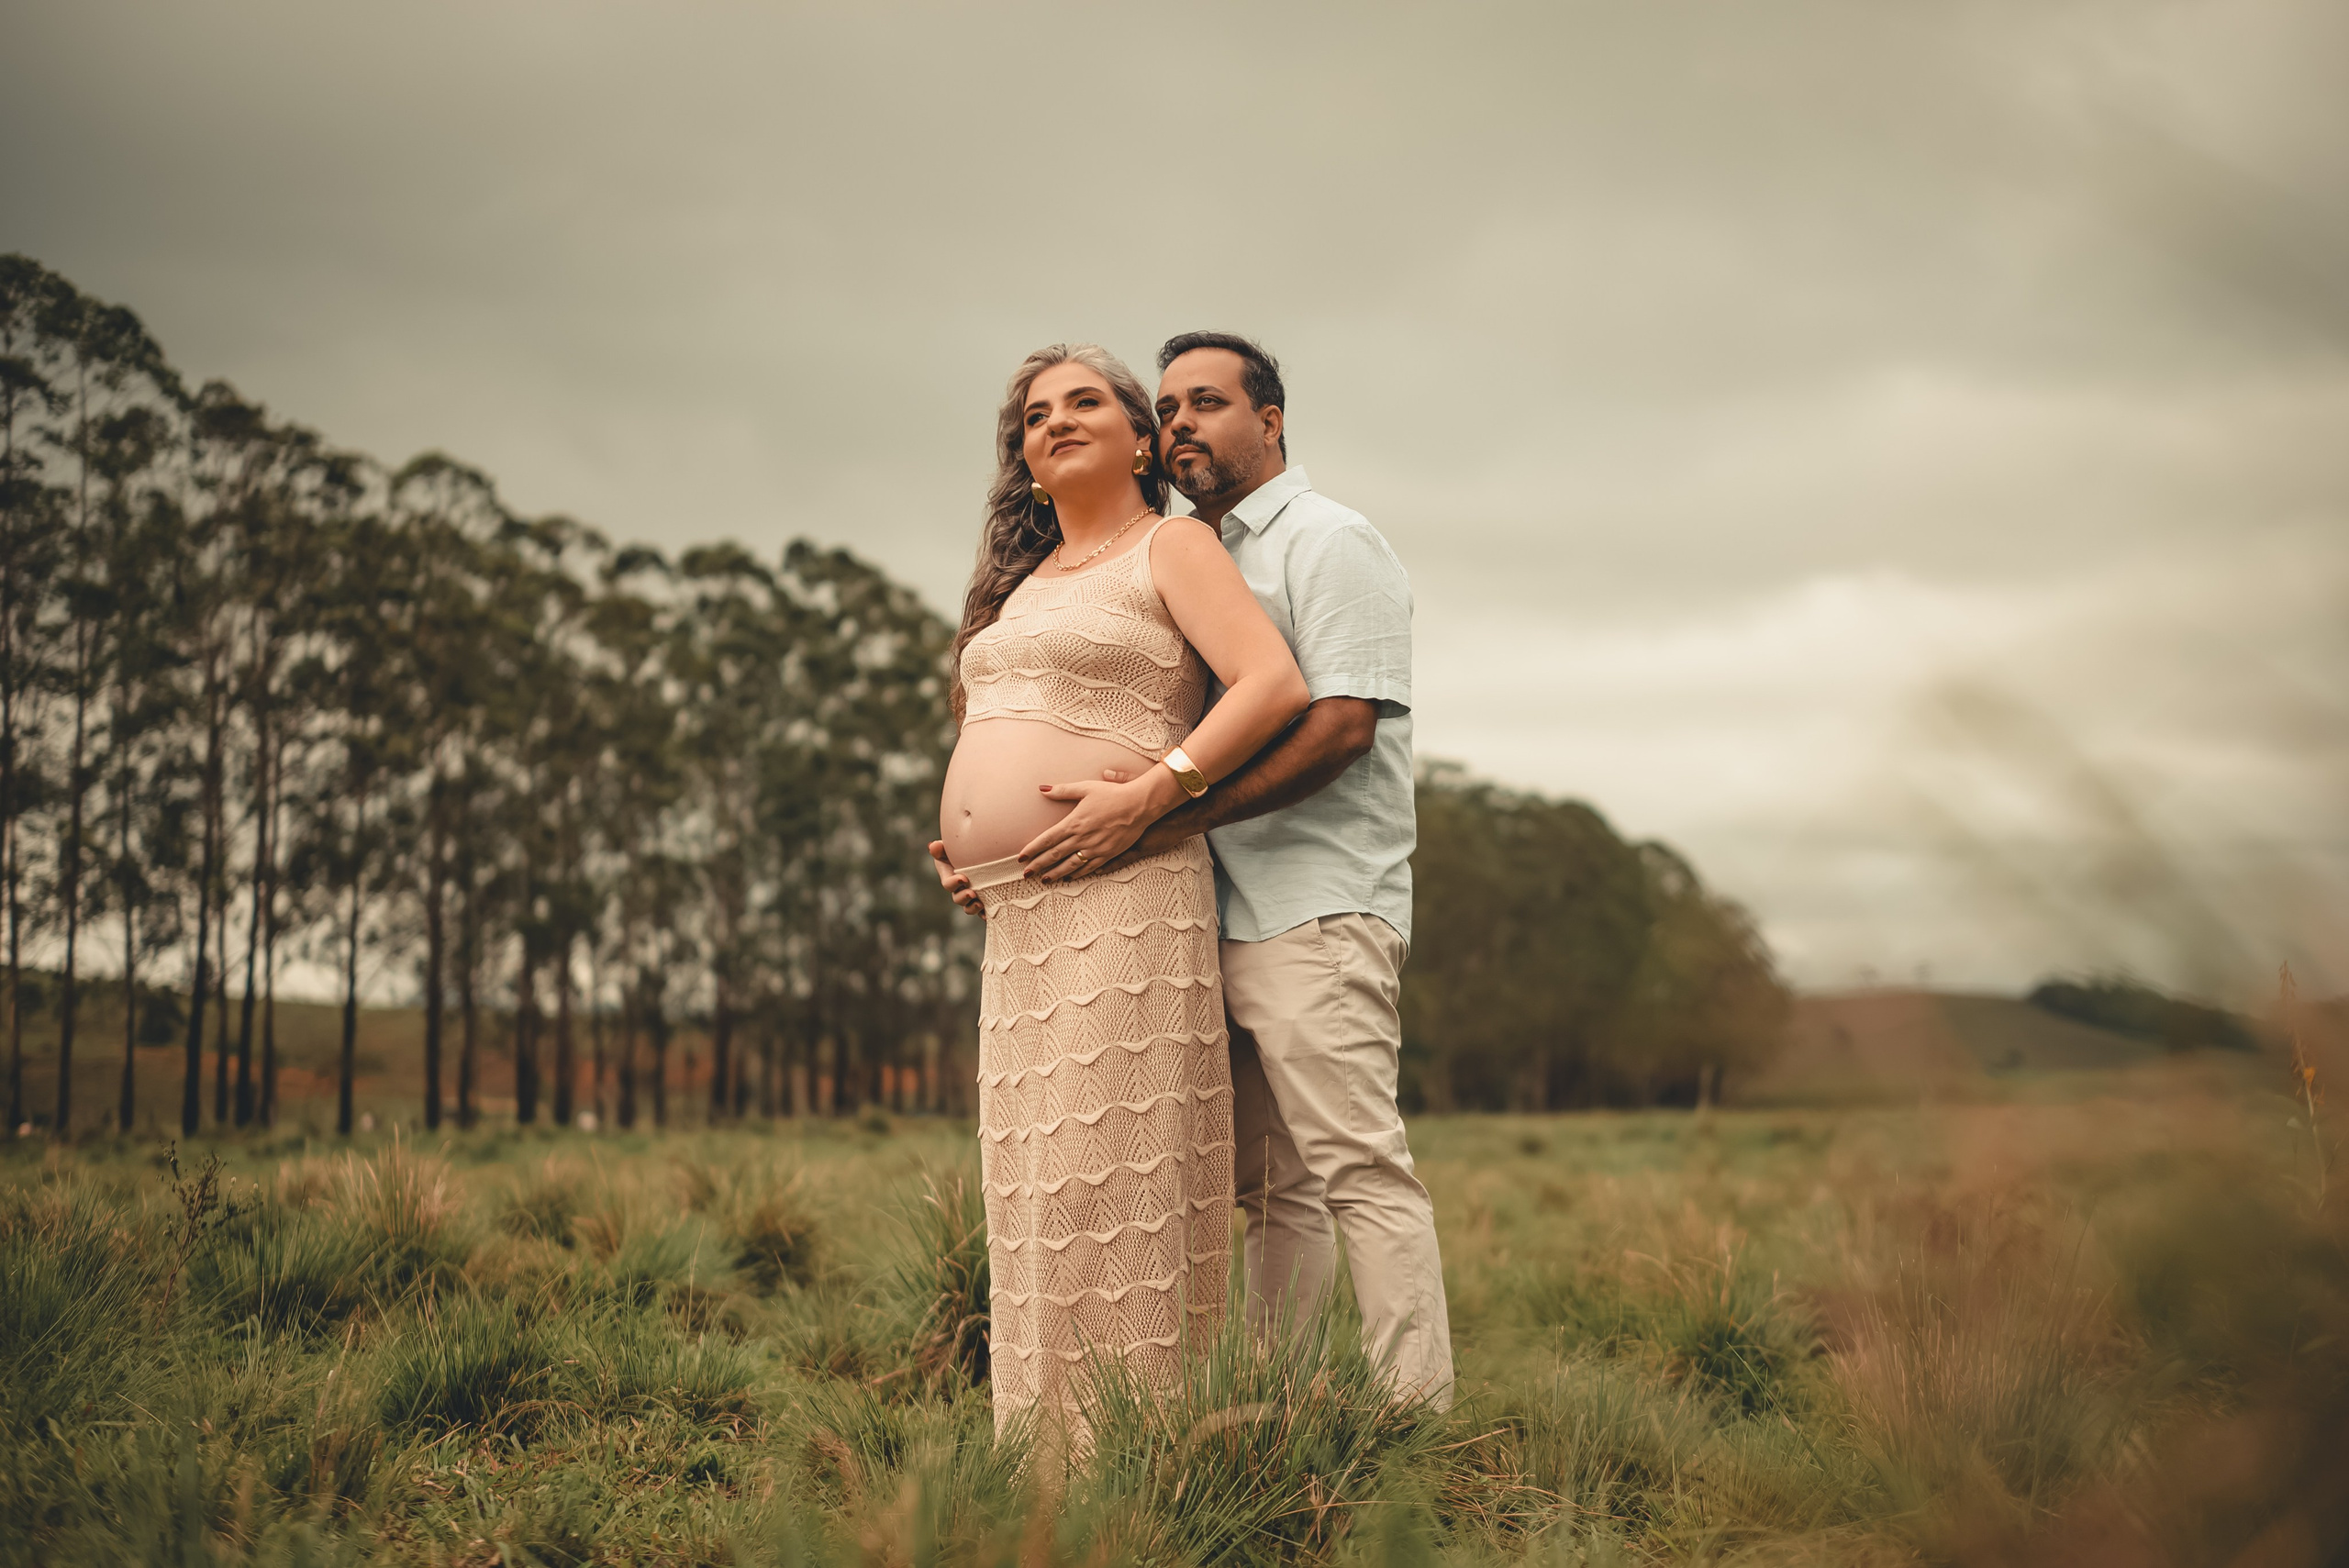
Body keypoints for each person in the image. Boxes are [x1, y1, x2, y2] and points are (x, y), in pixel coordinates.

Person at [941, 332, 1455, 1409]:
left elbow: (1339, 726)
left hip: (1316, 897)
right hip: (1196, 902)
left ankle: (1416, 1414)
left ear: (1269, 419)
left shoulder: (1328, 540)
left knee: (1352, 1164)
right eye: (1169, 406)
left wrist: (1158, 807)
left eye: (1205, 404)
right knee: (1272, 1187)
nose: (1182, 425)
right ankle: (1270, 1408)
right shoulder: (1185, 545)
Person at [930, 343, 1308, 1445]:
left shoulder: (1172, 544)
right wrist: (962, 845)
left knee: (1111, 1187)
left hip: (1127, 894)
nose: (1056, 419)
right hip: (1021, 919)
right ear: (1027, 465)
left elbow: (1272, 681)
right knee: (1038, 1192)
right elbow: (991, 732)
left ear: (1142, 438)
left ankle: (1132, 1461)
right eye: (1035, 415)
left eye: (1084, 400)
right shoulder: (1016, 588)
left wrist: (1155, 789)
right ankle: (1039, 1463)